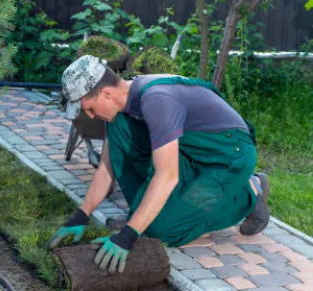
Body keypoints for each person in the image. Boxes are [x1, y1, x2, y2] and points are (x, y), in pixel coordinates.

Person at [47, 55, 271, 274]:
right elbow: (107, 168)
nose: (91, 116)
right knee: (120, 131)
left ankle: (250, 190)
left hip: (227, 157)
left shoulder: (157, 100)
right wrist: (81, 215)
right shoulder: (123, 106)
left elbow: (166, 176)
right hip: (192, 152)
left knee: (163, 230)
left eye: (89, 108)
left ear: (105, 93)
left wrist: (128, 235)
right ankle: (156, 209)